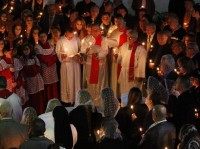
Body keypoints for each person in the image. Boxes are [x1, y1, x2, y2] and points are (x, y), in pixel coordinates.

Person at [80, 23, 108, 105]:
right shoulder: (86, 39)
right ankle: (91, 102)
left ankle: (99, 102)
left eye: (97, 30)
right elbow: (82, 50)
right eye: (93, 30)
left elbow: (105, 51)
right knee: (90, 83)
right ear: (90, 31)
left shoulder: (104, 39)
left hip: (100, 64)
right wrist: (87, 50)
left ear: (100, 31)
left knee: (99, 83)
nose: (95, 31)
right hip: (89, 64)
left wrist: (98, 55)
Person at [56, 27, 81, 105]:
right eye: (69, 36)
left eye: (72, 36)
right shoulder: (60, 41)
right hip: (66, 64)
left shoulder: (77, 39)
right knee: (67, 82)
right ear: (66, 33)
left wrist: (78, 55)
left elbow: (80, 50)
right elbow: (57, 51)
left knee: (76, 81)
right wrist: (61, 56)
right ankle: (67, 99)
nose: (71, 38)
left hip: (75, 64)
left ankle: (76, 98)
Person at [117, 29, 147, 95]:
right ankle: (124, 104)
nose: (128, 39)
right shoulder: (124, 46)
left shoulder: (140, 49)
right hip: (124, 72)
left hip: (134, 74)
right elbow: (119, 59)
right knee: (123, 91)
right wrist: (116, 56)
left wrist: (140, 76)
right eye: (127, 37)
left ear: (135, 38)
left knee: (132, 92)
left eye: (130, 37)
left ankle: (133, 104)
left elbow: (142, 63)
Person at [21, 43, 45, 114]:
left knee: (38, 97)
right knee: (31, 98)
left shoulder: (34, 57)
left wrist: (32, 69)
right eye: (24, 50)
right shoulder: (22, 59)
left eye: (27, 49)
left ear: (30, 49)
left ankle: (39, 112)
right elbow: (22, 70)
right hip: (28, 81)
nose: (26, 51)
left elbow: (38, 67)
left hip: (36, 80)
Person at [35, 31, 59, 103]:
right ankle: (48, 102)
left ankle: (55, 101)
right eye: (41, 37)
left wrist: (50, 61)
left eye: (44, 36)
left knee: (53, 86)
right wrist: (49, 61)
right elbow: (41, 58)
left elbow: (55, 56)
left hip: (52, 69)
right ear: (39, 38)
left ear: (46, 37)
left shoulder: (51, 45)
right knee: (47, 86)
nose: (43, 38)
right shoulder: (37, 47)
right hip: (45, 69)